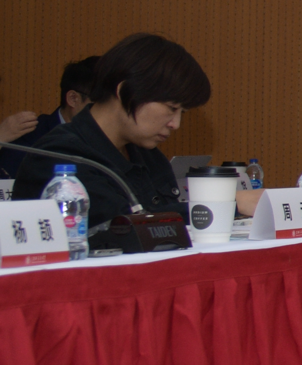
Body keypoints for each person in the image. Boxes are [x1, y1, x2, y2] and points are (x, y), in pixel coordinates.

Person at [9, 34, 210, 230]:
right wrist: (210, 210)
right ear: (124, 91)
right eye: (172, 108)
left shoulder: (148, 155)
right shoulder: (60, 156)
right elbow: (121, 229)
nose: (176, 124)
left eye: (182, 112)